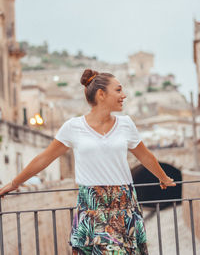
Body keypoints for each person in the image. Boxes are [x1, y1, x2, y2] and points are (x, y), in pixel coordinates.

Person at [0, 69, 176, 255]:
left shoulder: (126, 124)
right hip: (92, 206)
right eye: (118, 90)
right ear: (101, 94)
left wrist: (163, 178)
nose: (123, 95)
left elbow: (145, 156)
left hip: (124, 205)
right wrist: (13, 184)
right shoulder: (73, 127)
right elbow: (44, 158)